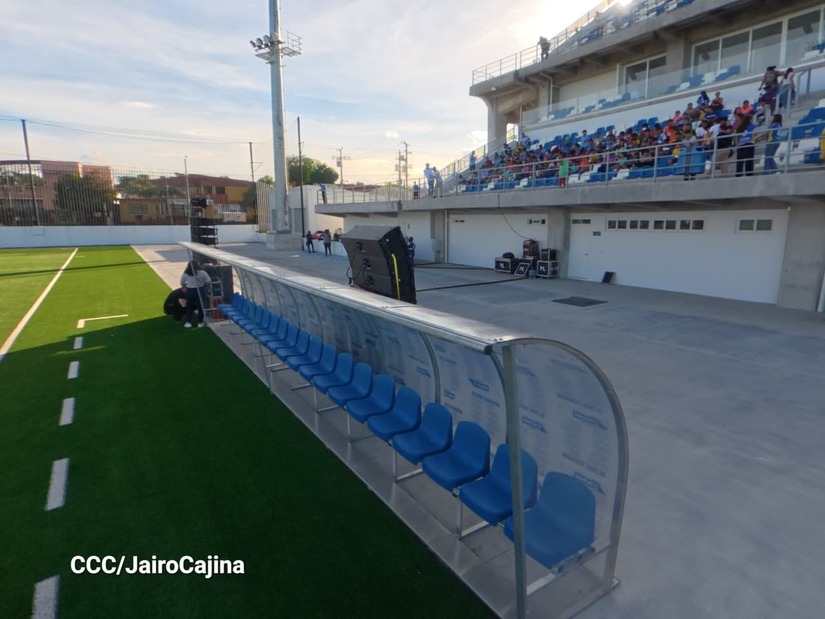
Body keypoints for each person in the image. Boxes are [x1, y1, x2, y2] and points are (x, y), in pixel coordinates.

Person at [180, 261, 211, 328]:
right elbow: (208, 281)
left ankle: (188, 322)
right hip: (200, 290)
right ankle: (200, 322)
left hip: (190, 290)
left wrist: (186, 285)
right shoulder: (202, 273)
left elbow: (182, 283)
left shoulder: (185, 274)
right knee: (200, 306)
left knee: (189, 306)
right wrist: (203, 284)